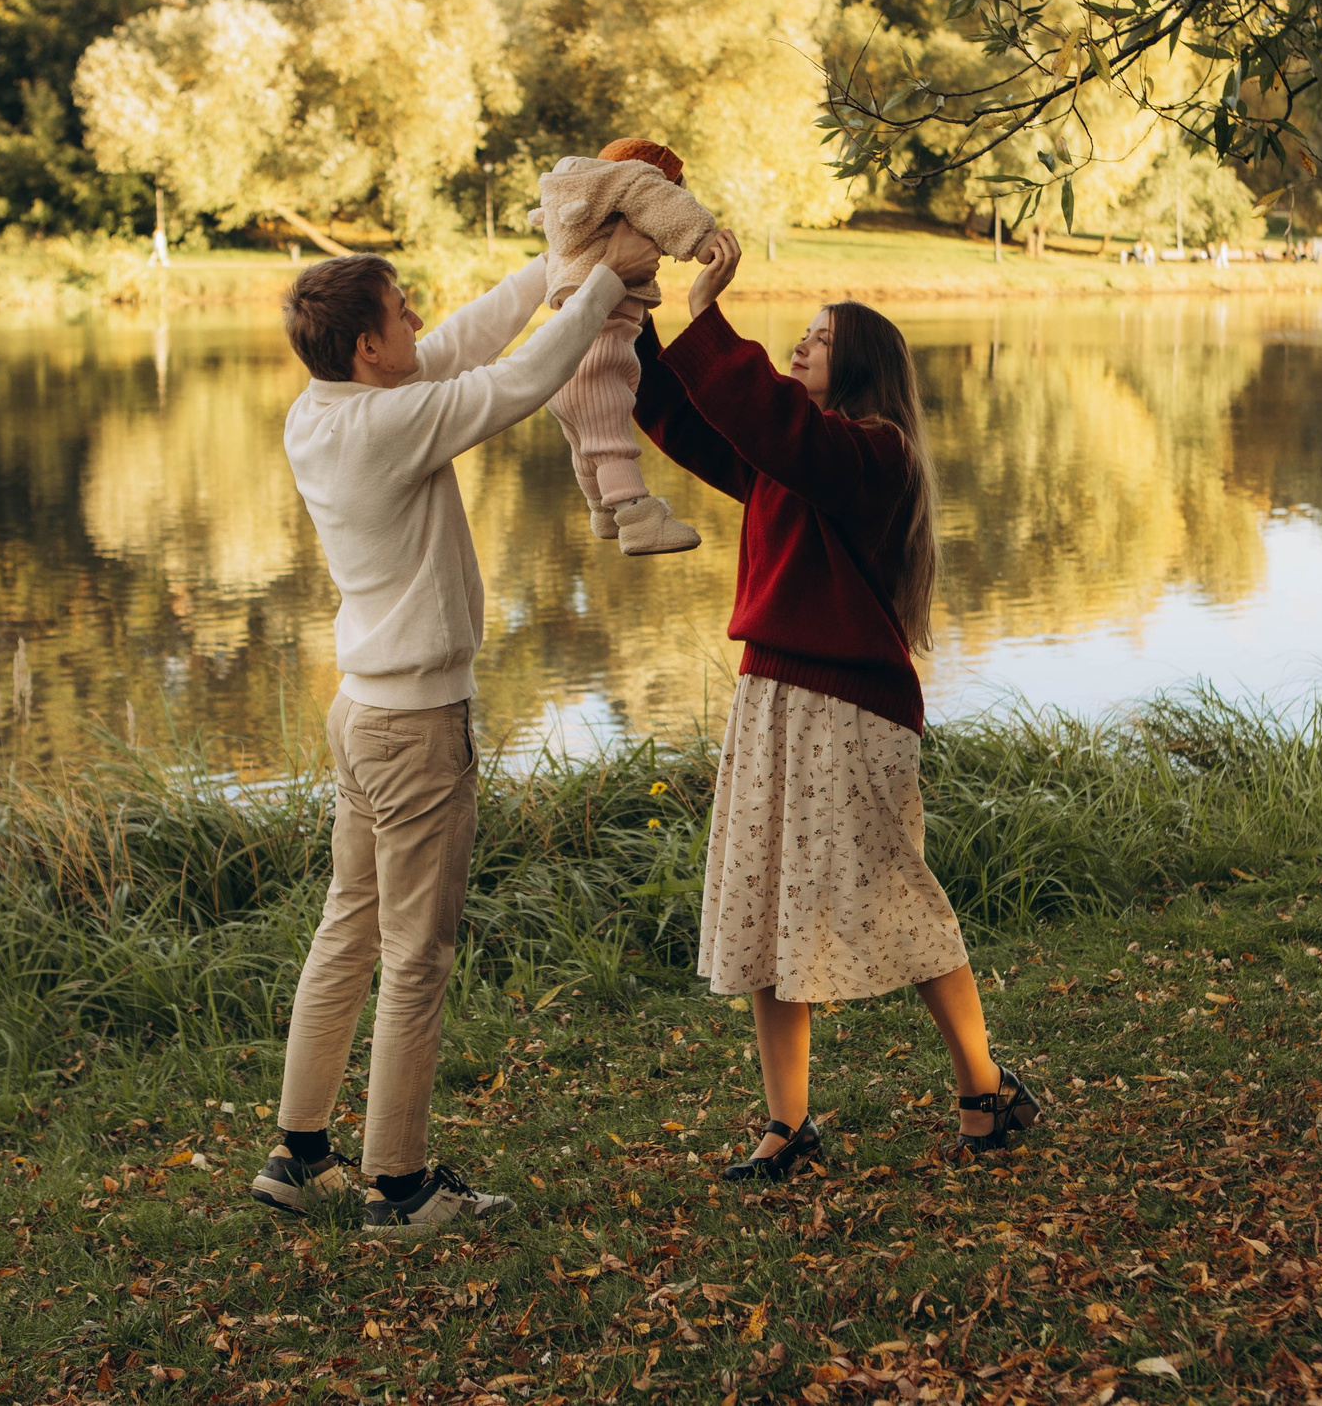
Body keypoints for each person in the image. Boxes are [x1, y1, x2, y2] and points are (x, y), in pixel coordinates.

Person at [254, 235, 738, 1233]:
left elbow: (468, 340)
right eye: (399, 315)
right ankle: (399, 1186)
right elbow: (521, 376)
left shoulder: (325, 410)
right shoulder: (393, 424)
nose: (417, 324)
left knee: (348, 928)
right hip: (416, 726)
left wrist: (558, 263)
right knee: (415, 956)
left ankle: (299, 1157)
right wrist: (607, 284)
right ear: (366, 349)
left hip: (362, 713)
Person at [632, 254, 1041, 1181]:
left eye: (816, 342)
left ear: (857, 367)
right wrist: (635, 330)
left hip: (852, 708)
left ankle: (985, 1089)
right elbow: (693, 422)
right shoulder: (789, 453)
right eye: (800, 338)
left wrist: (709, 318)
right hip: (771, 696)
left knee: (898, 892)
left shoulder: (871, 453)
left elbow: (769, 420)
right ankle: (788, 1127)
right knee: (765, 906)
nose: (798, 349)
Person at [534, 138, 725, 554]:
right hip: (599, 351)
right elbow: (663, 206)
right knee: (610, 443)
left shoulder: (574, 208)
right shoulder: (636, 184)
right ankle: (638, 520)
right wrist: (702, 238)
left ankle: (603, 513)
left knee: (586, 446)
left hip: (561, 355)